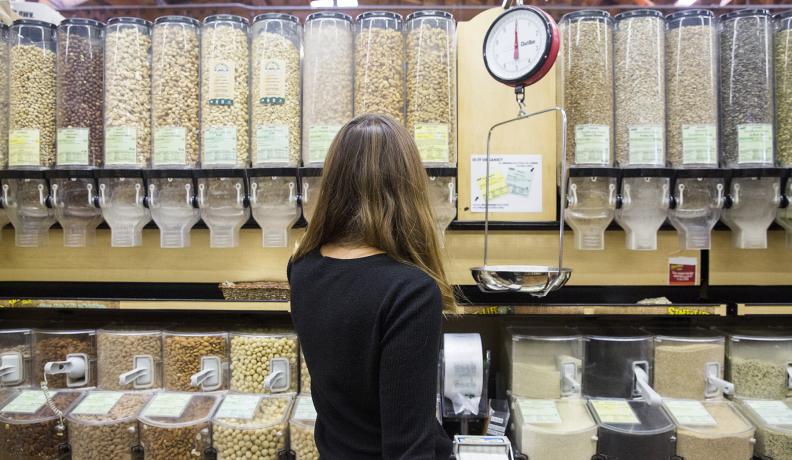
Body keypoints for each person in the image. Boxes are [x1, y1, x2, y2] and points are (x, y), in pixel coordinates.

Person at [288, 114, 455, 459]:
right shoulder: (411, 291)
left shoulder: (302, 267)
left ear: (333, 180)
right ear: (409, 185)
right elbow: (407, 448)